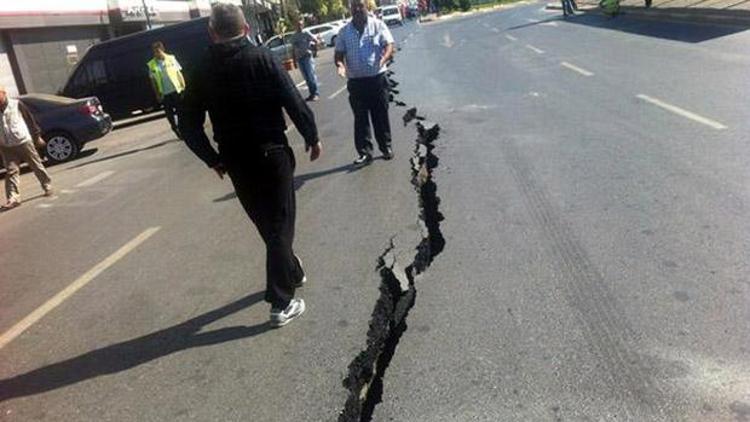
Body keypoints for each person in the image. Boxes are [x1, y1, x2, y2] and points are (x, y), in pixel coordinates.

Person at [179, 3, 323, 328]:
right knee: (280, 224)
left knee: (267, 224)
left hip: (235, 160)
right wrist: (311, 136)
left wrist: (211, 158)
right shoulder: (262, 58)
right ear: (246, 29)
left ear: (211, 32)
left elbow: (188, 124)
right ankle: (281, 303)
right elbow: (293, 100)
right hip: (271, 154)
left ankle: (292, 270)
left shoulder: (201, 69)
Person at [335, 0, 395, 166]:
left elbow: (389, 44)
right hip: (356, 83)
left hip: (377, 80)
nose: (357, 9)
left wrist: (384, 57)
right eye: (354, 6)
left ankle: (386, 147)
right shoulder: (344, 32)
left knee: (380, 116)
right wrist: (340, 65)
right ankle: (364, 153)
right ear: (350, 9)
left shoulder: (378, 25)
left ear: (367, 7)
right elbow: (338, 54)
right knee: (360, 119)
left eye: (360, 6)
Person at [0, 85, 53, 210]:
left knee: (35, 164)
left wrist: (37, 137)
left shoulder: (16, 104)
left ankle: (47, 185)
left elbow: (30, 121)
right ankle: (13, 198)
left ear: (3, 93)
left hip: (23, 140)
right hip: (6, 145)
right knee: (11, 171)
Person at [148, 41, 186, 139]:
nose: (156, 53)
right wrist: (157, 94)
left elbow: (179, 73)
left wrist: (183, 86)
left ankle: (183, 129)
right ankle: (175, 128)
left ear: (162, 50)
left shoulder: (171, 58)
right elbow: (153, 81)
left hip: (176, 90)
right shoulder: (152, 64)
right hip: (164, 93)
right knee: (169, 114)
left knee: (181, 111)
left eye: (158, 51)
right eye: (155, 51)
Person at [291, 19, 321, 102]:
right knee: (306, 77)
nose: (299, 27)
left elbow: (316, 41)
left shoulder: (306, 33)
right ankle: (311, 94)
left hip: (307, 57)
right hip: (299, 59)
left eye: (300, 25)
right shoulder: (294, 37)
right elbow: (293, 49)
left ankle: (316, 93)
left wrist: (314, 49)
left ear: (303, 25)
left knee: (311, 75)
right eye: (297, 25)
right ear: (295, 26)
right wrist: (294, 61)